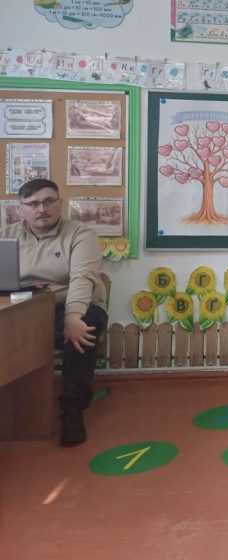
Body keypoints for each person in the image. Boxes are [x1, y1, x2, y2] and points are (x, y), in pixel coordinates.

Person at [0, 179, 107, 446]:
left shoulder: (81, 234)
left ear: (60, 203)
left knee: (81, 333)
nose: (42, 209)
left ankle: (73, 409)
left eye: (48, 201)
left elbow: (83, 278)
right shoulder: (6, 236)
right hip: (23, 306)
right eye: (33, 204)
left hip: (72, 303)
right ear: (20, 209)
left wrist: (73, 317)